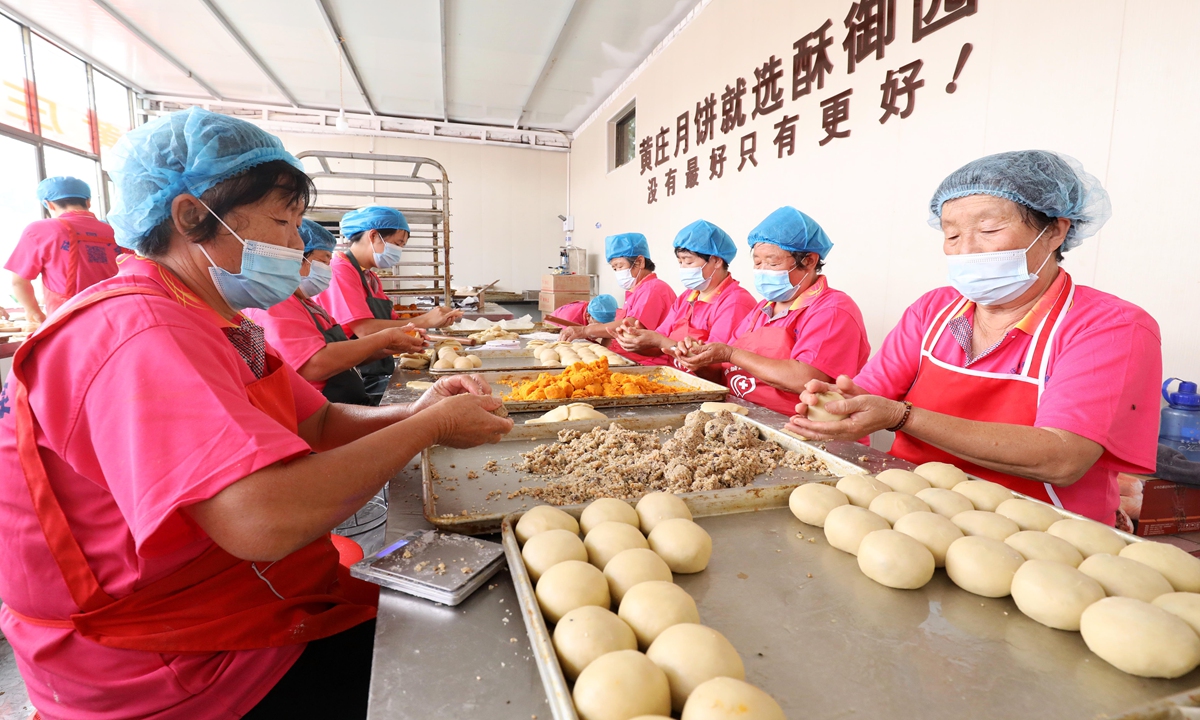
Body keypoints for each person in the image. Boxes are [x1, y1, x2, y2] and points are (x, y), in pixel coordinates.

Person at [0, 107, 512, 720]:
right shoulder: (137, 332)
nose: (298, 247)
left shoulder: (217, 320)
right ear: (191, 216)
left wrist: (420, 411)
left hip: (235, 596)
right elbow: (259, 520)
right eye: (282, 222)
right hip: (167, 658)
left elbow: (316, 423)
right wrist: (428, 430)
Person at [787, 150, 1161, 526]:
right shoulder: (934, 310)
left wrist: (903, 418)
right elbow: (869, 393)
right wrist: (836, 404)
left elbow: (1063, 458)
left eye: (989, 230)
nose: (965, 250)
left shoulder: (1109, 326)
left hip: (1043, 527)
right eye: (951, 234)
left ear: (1055, 231)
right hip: (909, 509)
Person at [672, 207, 869, 416]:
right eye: (757, 262)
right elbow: (724, 372)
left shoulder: (833, 309)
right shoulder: (763, 308)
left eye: (772, 262)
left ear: (810, 261)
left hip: (797, 427)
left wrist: (731, 353)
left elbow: (805, 379)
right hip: (743, 415)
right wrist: (698, 360)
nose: (762, 270)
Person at [244, 219, 425, 405]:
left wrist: (391, 347)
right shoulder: (274, 304)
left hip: (347, 402)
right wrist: (385, 338)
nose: (328, 270)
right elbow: (313, 365)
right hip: (319, 411)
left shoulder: (309, 305)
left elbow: (344, 356)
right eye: (323, 261)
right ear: (295, 258)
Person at [315, 206, 462, 399]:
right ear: (374, 235)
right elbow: (365, 330)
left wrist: (428, 326)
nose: (399, 251)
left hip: (372, 368)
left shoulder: (371, 277)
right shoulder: (341, 270)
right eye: (397, 243)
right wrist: (426, 321)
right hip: (350, 378)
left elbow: (396, 326)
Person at [612, 220, 756, 370]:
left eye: (688, 262)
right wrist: (639, 341)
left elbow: (715, 363)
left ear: (716, 261)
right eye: (680, 262)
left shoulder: (735, 302)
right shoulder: (688, 297)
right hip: (675, 377)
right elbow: (659, 343)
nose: (682, 268)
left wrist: (660, 341)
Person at [6, 175, 122, 322]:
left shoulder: (40, 230)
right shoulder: (116, 231)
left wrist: (34, 313)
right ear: (88, 202)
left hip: (68, 322)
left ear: (49, 205)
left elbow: (18, 282)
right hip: (117, 317)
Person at [558, 233, 675, 343]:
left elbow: (632, 325)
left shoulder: (653, 289)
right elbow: (618, 328)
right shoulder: (636, 291)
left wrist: (585, 330)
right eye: (615, 269)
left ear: (639, 262)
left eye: (620, 266)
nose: (618, 272)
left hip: (647, 361)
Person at [550, 293, 618, 327]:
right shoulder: (571, 319)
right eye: (600, 324)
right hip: (553, 329)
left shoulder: (595, 308)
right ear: (588, 316)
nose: (603, 327)